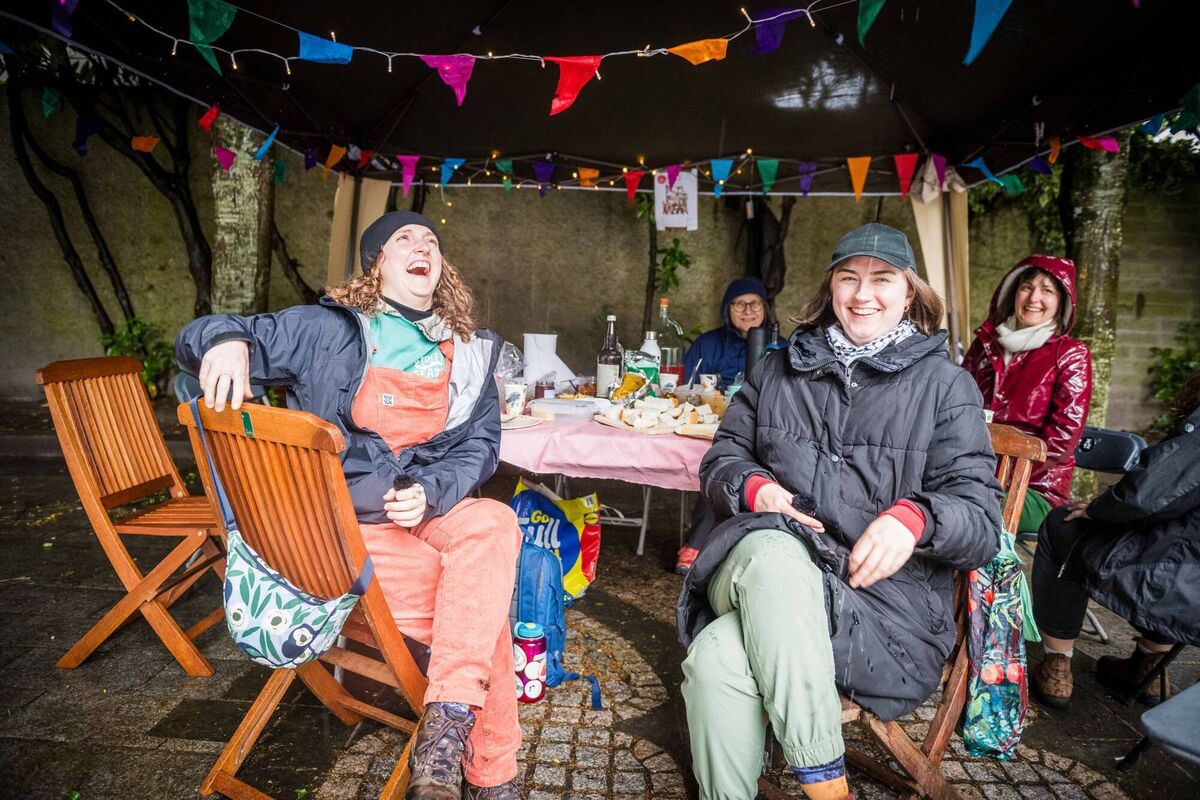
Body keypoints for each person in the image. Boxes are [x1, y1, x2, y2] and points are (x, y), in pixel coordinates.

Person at [176, 211, 524, 800]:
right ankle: (482, 772)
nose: (423, 246)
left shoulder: (467, 351)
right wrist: (227, 341)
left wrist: (432, 491)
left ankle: (446, 753)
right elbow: (203, 331)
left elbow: (481, 446)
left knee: (495, 521)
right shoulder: (328, 329)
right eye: (404, 239)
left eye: (432, 240)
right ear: (378, 265)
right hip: (340, 524)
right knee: (480, 607)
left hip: (425, 508)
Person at [676, 223, 1001, 800]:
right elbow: (723, 456)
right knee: (774, 552)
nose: (862, 294)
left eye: (883, 279)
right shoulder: (777, 370)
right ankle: (828, 787)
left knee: (716, 660)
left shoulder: (946, 387)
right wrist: (753, 488)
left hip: (881, 612)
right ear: (830, 288)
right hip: (760, 567)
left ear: (911, 294)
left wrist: (916, 518)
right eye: (848, 278)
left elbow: (980, 519)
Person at [1029, 371, 1200, 710]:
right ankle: (1147, 665)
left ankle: (1057, 666)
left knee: (1062, 526)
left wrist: (1096, 508)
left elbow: (1144, 496)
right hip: (1191, 582)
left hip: (1176, 581)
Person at [962, 255, 1092, 535]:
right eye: (1027, 287)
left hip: (1035, 488)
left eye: (1047, 290)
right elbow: (953, 408)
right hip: (971, 475)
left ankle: (983, 581)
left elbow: (1061, 442)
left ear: (1061, 303)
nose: (1034, 297)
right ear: (1013, 292)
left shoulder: (1070, 355)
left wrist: (1001, 474)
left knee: (965, 510)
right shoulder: (984, 347)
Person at [675, 277, 783, 573]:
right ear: (727, 309)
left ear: (765, 308)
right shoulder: (707, 344)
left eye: (755, 303)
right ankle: (699, 543)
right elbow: (686, 387)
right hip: (710, 424)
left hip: (765, 426)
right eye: (739, 304)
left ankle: (726, 543)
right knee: (721, 460)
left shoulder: (781, 348)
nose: (748, 310)